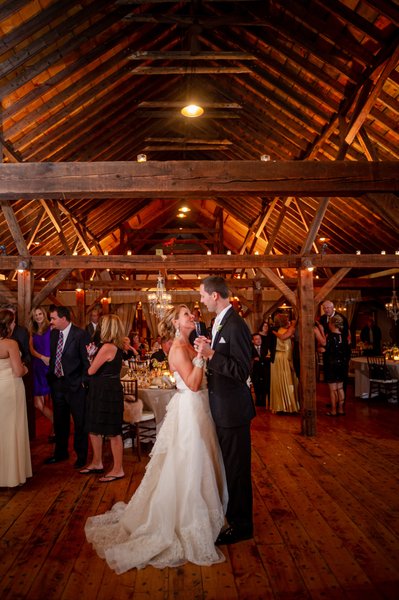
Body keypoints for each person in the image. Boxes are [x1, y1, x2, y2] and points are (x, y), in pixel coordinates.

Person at [85, 304, 227, 572]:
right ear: (176, 323)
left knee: (204, 461)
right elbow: (194, 384)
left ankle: (211, 514)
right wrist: (200, 356)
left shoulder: (189, 345)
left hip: (202, 409)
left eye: (192, 315)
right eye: (186, 315)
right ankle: (187, 520)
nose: (192, 318)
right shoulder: (176, 349)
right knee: (190, 462)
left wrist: (203, 353)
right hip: (189, 411)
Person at [196, 275, 255, 545]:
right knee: (230, 467)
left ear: (215, 296)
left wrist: (212, 356)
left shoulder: (236, 325)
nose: (201, 300)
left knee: (238, 469)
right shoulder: (219, 323)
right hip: (222, 407)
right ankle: (233, 516)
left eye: (203, 295)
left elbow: (242, 370)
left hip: (233, 410)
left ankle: (242, 527)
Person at [80, 314, 125, 482]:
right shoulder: (116, 346)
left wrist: (89, 357)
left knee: (113, 431)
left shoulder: (107, 347)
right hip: (104, 389)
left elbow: (91, 370)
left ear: (106, 328)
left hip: (106, 391)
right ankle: (97, 462)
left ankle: (118, 469)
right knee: (95, 426)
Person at [45, 305, 90, 468]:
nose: (51, 322)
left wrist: (83, 382)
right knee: (60, 421)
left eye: (53, 318)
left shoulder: (80, 335)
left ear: (63, 319)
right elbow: (53, 357)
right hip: (57, 383)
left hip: (75, 386)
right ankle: (60, 453)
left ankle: (81, 456)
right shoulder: (54, 334)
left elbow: (86, 362)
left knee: (79, 422)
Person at [0, 309, 32, 487]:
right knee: (12, 429)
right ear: (8, 324)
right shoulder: (10, 344)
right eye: (12, 322)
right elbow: (19, 371)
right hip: (11, 389)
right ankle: (12, 475)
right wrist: (26, 368)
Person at [28, 306, 54, 440]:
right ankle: (56, 422)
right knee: (38, 403)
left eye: (40, 314)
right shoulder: (32, 331)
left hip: (50, 367)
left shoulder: (51, 328)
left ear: (44, 314)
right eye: (35, 315)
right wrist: (42, 357)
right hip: (38, 366)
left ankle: (56, 429)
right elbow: (31, 350)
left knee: (55, 401)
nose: (38, 316)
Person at [314, 315, 346, 416]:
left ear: (332, 324)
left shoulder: (331, 336)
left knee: (332, 389)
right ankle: (340, 409)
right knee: (340, 388)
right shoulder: (343, 336)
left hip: (332, 364)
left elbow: (323, 343)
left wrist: (317, 331)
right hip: (341, 364)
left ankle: (333, 410)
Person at [269, 313, 299, 414]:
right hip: (285, 358)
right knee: (287, 381)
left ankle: (279, 406)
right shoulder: (289, 330)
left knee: (278, 382)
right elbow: (287, 343)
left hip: (276, 358)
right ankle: (289, 406)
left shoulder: (273, 330)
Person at [319, 300, 351, 390]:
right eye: (324, 308)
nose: (326, 310)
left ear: (333, 308)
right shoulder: (322, 319)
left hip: (340, 352)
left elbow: (346, 336)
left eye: (328, 307)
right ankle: (334, 399)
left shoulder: (341, 318)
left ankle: (341, 402)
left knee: (341, 378)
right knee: (330, 377)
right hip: (328, 353)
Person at [251, 332, 270, 407]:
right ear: (253, 341)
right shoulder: (250, 349)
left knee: (265, 386)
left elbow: (268, 358)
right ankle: (258, 403)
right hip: (255, 371)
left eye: (259, 339)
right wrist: (263, 359)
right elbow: (252, 359)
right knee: (257, 387)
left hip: (265, 370)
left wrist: (260, 359)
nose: (258, 340)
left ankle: (264, 403)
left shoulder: (265, 348)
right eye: (256, 339)